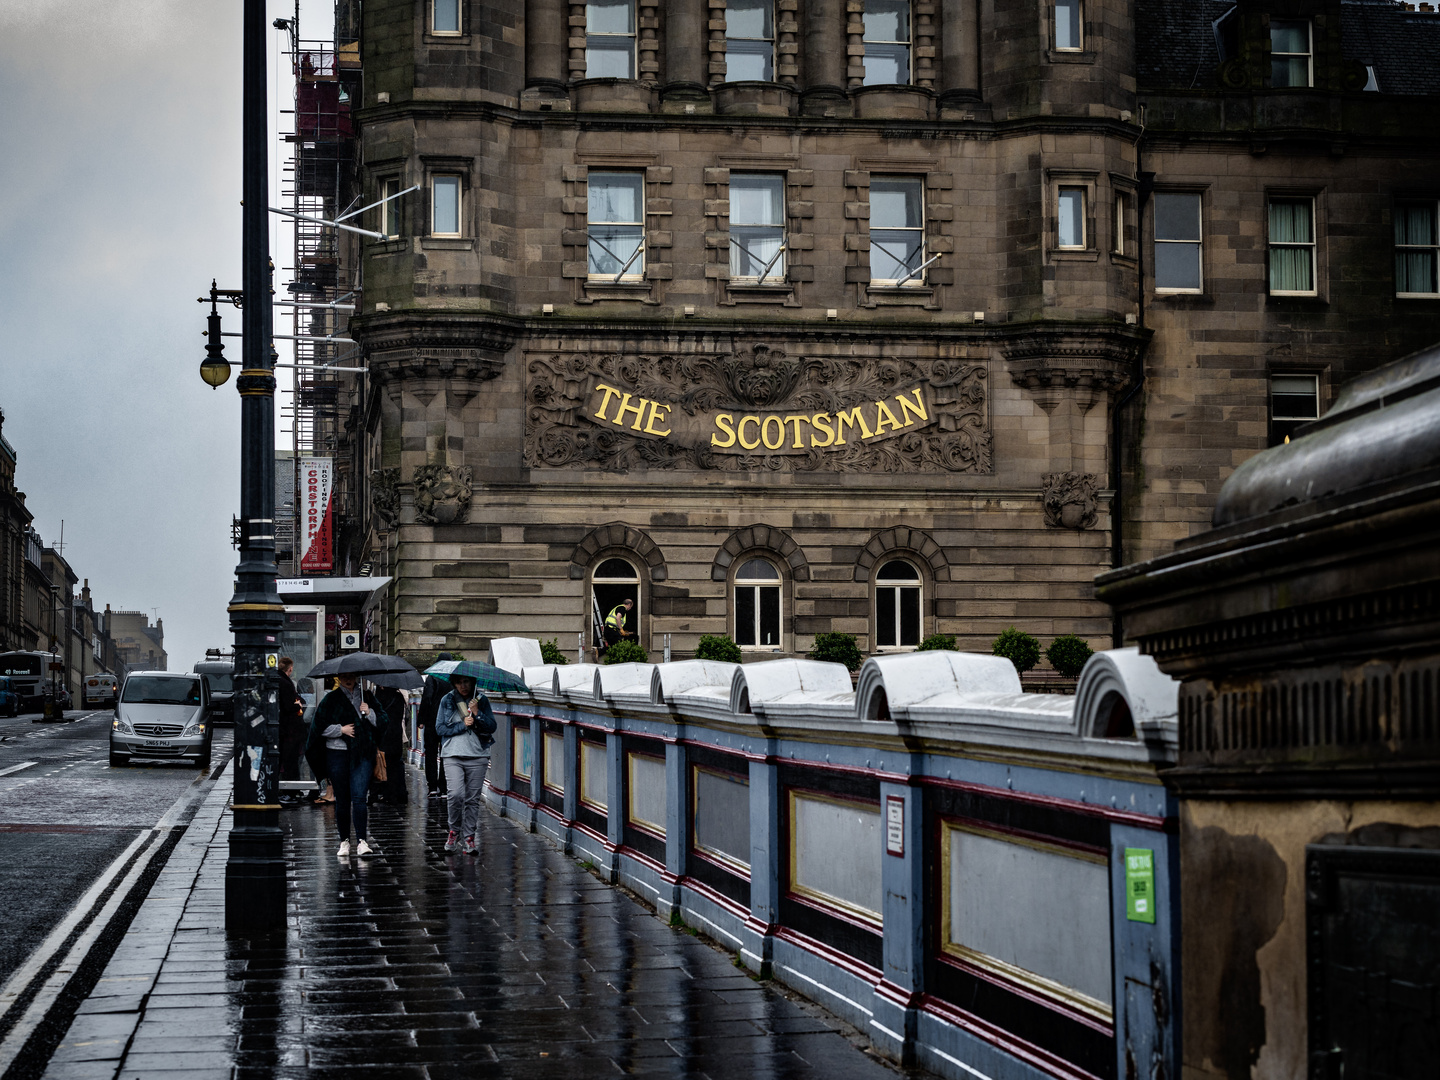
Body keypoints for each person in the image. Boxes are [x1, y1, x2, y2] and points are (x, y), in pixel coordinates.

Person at [308, 672, 386, 857]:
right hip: (337, 754)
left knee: (359, 798)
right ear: (338, 678)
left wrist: (370, 712)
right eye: (344, 676)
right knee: (342, 799)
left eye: (352, 676)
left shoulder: (367, 696)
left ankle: (361, 841)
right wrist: (340, 730)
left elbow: (384, 721)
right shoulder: (331, 699)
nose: (348, 679)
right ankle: (344, 841)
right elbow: (317, 727)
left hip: (362, 754)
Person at [435, 674, 496, 856]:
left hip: (478, 755)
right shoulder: (447, 700)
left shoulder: (481, 700)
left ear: (472, 683)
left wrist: (477, 713)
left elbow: (492, 726)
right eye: (459, 682)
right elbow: (440, 728)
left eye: (466, 682)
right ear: (454, 683)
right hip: (452, 754)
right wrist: (462, 725)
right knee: (455, 794)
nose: (463, 686)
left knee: (472, 799)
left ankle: (469, 837)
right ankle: (454, 831)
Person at [417, 653, 452, 801]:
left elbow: (426, 699)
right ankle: (444, 787)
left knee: (430, 754)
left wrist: (421, 719)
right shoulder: (453, 678)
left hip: (432, 721)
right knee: (446, 754)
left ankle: (432, 787)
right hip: (449, 722)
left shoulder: (432, 677)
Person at [276, 657, 307, 807]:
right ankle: (291, 792)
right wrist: (298, 705)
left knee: (284, 761)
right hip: (290, 730)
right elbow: (289, 706)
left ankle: (289, 790)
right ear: (290, 668)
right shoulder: (286, 683)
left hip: (282, 729)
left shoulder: (277, 680)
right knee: (290, 762)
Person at [373, 684, 409, 805]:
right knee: (397, 764)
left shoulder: (379, 697)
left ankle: (387, 793)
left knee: (384, 764)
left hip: (385, 735)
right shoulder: (399, 697)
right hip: (396, 734)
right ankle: (400, 793)